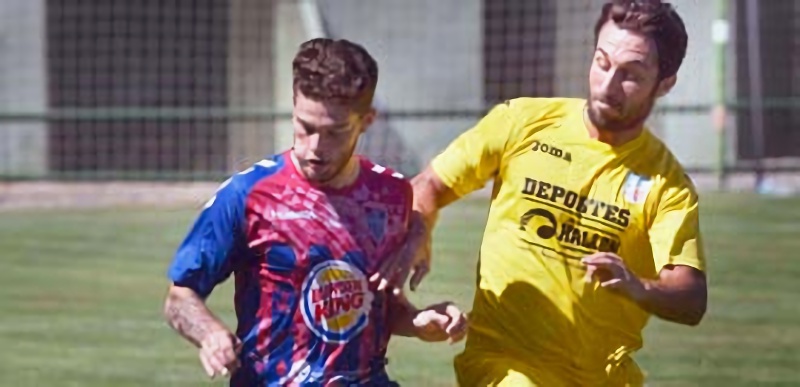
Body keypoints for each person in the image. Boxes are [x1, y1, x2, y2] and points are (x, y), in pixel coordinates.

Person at [404, 0, 708, 385]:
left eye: (631, 75)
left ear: (664, 84)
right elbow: (429, 185)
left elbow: (690, 297)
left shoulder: (667, 184)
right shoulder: (522, 122)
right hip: (502, 365)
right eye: (602, 62)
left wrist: (640, 286)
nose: (608, 85)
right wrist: (419, 229)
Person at [162, 38, 467, 386]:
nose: (315, 149)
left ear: (367, 120)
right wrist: (210, 333)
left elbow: (372, 302)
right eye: (305, 127)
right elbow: (179, 298)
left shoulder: (391, 197)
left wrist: (417, 322)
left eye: (335, 132)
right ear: (294, 106)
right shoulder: (249, 195)